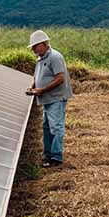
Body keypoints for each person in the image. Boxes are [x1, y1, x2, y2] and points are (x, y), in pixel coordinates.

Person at [26, 30, 74, 167]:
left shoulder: (55, 57)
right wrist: (33, 87)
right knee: (46, 127)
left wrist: (43, 89)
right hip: (47, 98)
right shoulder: (41, 59)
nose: (33, 50)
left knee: (56, 127)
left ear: (43, 44)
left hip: (56, 98)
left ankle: (56, 157)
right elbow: (37, 76)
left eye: (35, 47)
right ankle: (47, 155)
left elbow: (60, 78)